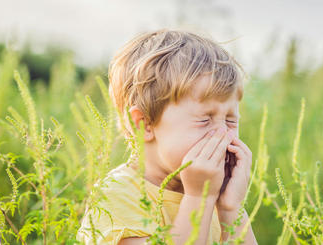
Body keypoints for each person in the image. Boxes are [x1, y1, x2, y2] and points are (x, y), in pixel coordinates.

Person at [76, 29, 258, 245]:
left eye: (230, 120)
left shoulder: (215, 197)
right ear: (144, 124)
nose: (223, 135)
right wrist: (199, 199)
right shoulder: (116, 196)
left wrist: (232, 208)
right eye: (204, 120)